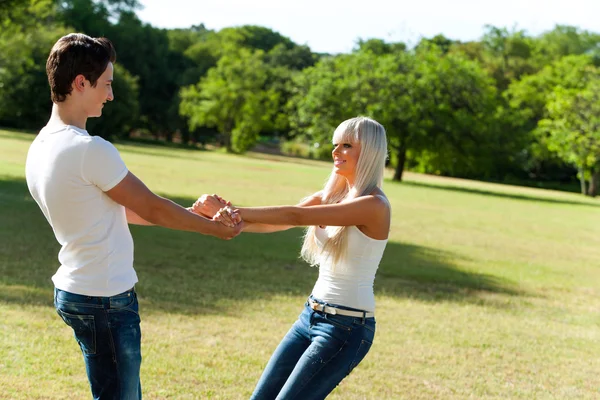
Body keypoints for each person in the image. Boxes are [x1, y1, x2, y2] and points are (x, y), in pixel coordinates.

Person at [25, 33, 241, 400]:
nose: (110, 95)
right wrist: (213, 228)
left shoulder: (42, 144)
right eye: (107, 85)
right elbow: (151, 205)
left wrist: (189, 214)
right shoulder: (89, 149)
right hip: (105, 299)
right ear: (81, 83)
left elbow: (118, 208)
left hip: (77, 291)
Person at [193, 116, 390, 399]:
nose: (335, 152)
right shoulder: (330, 196)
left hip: (346, 328)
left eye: (346, 145)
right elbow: (275, 223)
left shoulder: (374, 205)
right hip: (309, 316)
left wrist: (231, 210)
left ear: (370, 150)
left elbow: (294, 215)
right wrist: (215, 215)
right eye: (335, 145)